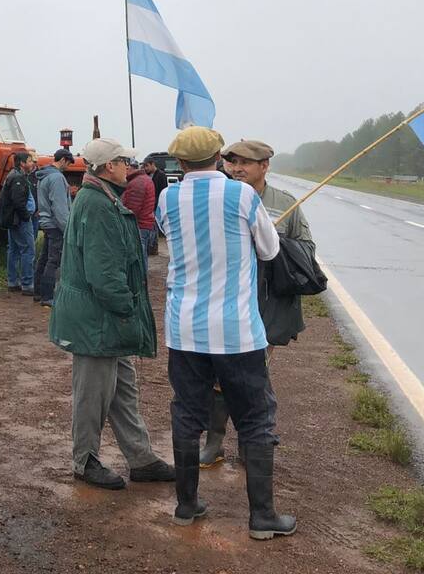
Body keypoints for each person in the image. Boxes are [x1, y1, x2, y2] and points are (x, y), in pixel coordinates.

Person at [154, 127, 294, 539]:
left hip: (184, 329)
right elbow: (269, 251)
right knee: (255, 418)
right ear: (220, 156)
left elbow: (167, 236)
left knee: (187, 412)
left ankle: (186, 505)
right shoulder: (243, 196)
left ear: (179, 163)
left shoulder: (169, 197)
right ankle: (262, 517)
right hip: (237, 330)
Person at [49, 138, 175, 490]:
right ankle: (84, 461)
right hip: (97, 320)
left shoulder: (101, 197)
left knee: (122, 390)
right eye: (122, 161)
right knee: (93, 395)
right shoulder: (98, 205)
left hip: (102, 319)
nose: (128, 166)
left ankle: (141, 457)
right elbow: (104, 275)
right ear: (107, 167)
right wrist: (127, 309)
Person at [197, 140, 316, 467]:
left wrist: (273, 241)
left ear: (265, 166)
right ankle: (215, 443)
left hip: (264, 305)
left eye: (245, 163)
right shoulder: (218, 198)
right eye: (232, 162)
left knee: (253, 375)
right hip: (224, 299)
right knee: (219, 374)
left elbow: (306, 249)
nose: (237, 168)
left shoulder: (285, 204)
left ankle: (255, 445)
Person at [34, 149, 73, 307]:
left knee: (44, 259)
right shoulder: (57, 177)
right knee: (53, 261)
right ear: (63, 160)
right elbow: (59, 208)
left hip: (46, 222)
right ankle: (48, 296)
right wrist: (67, 229)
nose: (68, 167)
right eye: (68, 163)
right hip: (56, 225)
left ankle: (38, 291)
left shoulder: (43, 176)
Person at [0, 153, 37, 296]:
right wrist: (26, 216)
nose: (32, 163)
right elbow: (18, 201)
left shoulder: (13, 175)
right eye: (29, 161)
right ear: (22, 163)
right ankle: (27, 284)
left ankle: (13, 282)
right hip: (20, 221)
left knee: (13, 250)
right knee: (28, 250)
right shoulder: (18, 178)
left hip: (13, 220)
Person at [121, 159, 156, 273]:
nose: (124, 171)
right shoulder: (144, 179)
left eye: (125, 169)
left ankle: (140, 281)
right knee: (143, 254)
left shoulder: (137, 183)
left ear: (131, 168)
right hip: (146, 224)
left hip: (139, 225)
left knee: (139, 257)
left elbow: (132, 210)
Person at [142, 157, 169, 255]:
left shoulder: (161, 175)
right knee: (152, 227)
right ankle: (152, 247)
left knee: (154, 227)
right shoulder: (147, 175)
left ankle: (153, 247)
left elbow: (163, 190)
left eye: (147, 166)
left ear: (152, 164)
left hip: (156, 203)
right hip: (150, 204)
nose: (145, 168)